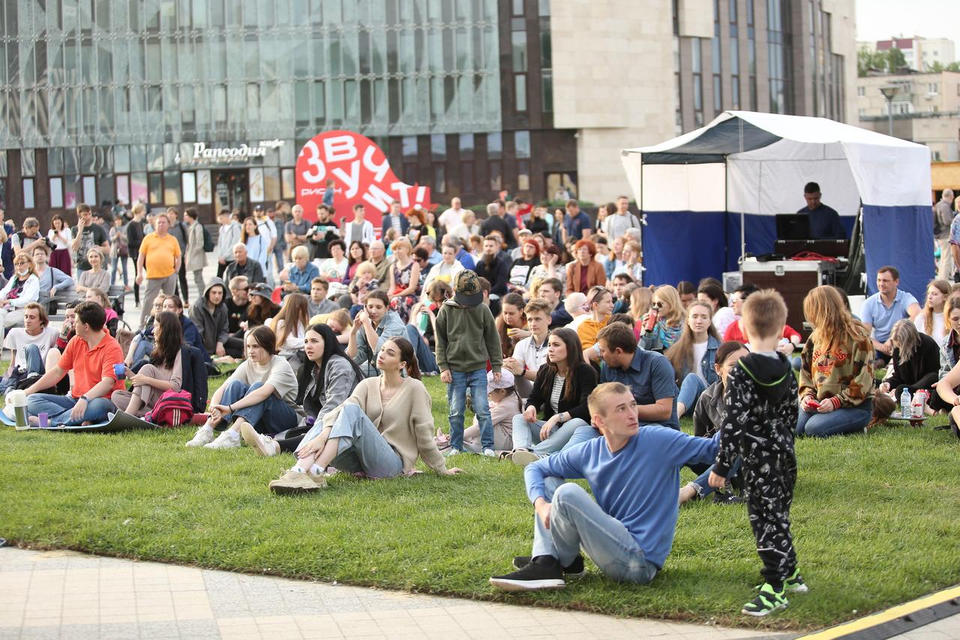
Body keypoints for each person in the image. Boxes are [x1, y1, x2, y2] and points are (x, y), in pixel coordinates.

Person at [488, 382, 719, 591]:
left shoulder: (658, 439)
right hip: (612, 546)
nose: (632, 414)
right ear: (599, 421)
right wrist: (541, 504)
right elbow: (534, 468)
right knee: (549, 480)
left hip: (640, 563)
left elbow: (712, 450)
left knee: (567, 494)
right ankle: (556, 562)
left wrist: (741, 417)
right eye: (621, 409)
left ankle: (548, 561)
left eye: (633, 405)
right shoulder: (592, 450)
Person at [708, 289, 805, 616]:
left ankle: (774, 587)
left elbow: (733, 422)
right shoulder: (787, 367)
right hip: (784, 455)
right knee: (779, 514)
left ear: (745, 330)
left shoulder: (741, 372)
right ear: (781, 330)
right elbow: (794, 415)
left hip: (757, 458)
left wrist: (722, 465)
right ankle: (791, 573)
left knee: (765, 520)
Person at [268, 337, 462, 493]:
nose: (382, 354)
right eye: (383, 349)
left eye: (390, 352)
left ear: (402, 364)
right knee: (331, 415)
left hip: (391, 463)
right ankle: (300, 471)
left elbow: (424, 434)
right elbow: (337, 412)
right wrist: (322, 436)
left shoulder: (415, 389)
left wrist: (441, 468)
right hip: (360, 461)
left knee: (351, 411)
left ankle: (314, 470)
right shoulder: (368, 384)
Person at [186, 325, 299, 449]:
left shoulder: (281, 364)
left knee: (258, 388)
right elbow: (224, 387)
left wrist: (230, 408)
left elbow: (263, 393)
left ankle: (234, 434)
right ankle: (208, 429)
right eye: (248, 346)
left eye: (255, 346)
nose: (250, 351)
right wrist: (214, 406)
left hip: (285, 420)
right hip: (259, 419)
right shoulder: (249, 364)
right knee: (235, 385)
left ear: (268, 346)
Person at [435, 270, 503, 457]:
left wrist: (496, 365)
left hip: (478, 368)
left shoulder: (482, 310)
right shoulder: (446, 310)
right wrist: (443, 367)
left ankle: (488, 446)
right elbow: (440, 341)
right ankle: (456, 446)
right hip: (455, 369)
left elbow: (493, 339)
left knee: (482, 409)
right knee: (456, 410)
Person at [24, 301, 125, 427]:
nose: (73, 324)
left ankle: (52, 422)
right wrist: (28, 391)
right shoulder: (76, 341)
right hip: (74, 399)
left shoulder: (112, 348)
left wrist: (85, 399)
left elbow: (107, 383)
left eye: (76, 321)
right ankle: (78, 418)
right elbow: (57, 371)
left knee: (99, 406)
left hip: (102, 399)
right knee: (32, 400)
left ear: (86, 327)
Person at [796, 286, 875, 438]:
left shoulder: (858, 335)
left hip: (854, 405)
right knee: (796, 429)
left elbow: (864, 381)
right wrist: (807, 396)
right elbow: (805, 373)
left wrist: (836, 402)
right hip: (820, 402)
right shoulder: (815, 337)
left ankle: (858, 424)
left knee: (813, 429)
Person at [509, 327, 596, 465]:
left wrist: (558, 417)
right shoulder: (545, 370)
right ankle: (521, 450)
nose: (550, 349)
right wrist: (531, 407)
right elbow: (534, 398)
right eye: (549, 344)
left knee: (578, 422)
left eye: (556, 345)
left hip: (573, 431)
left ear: (571, 347)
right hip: (550, 430)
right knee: (519, 418)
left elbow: (587, 407)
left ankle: (534, 453)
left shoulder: (586, 371)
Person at [678, 341, 751, 505]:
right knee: (682, 445)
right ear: (718, 369)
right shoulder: (707, 397)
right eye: (733, 365)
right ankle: (657, 488)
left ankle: (689, 491)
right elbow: (699, 442)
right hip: (719, 464)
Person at [111, 311, 183, 418]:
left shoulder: (179, 352)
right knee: (116, 395)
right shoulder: (158, 352)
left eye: (156, 326)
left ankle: (128, 416)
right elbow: (145, 384)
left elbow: (175, 387)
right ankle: (152, 414)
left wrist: (146, 380)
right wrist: (129, 373)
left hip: (169, 398)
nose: (153, 330)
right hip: (152, 399)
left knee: (147, 368)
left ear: (166, 330)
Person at [666, 301, 721, 418]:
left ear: (710, 321)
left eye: (704, 317)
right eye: (695, 316)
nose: (699, 321)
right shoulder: (677, 348)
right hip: (685, 401)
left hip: (709, 402)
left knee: (692, 378)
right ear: (688, 320)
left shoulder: (720, 348)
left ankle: (674, 417)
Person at [861, 266, 921, 364]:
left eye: (885, 281)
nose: (881, 284)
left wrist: (893, 338)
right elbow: (864, 334)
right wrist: (882, 347)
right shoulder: (868, 304)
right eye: (879, 280)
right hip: (880, 345)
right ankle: (881, 363)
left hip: (902, 341)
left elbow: (917, 314)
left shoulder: (906, 298)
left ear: (896, 282)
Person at [0, 302, 60, 394]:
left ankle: (30, 381)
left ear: (41, 320)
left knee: (32, 348)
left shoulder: (52, 333)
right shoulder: (15, 333)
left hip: (40, 373)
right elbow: (12, 363)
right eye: (26, 317)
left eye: (32, 317)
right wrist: (7, 379)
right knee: (7, 389)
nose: (27, 320)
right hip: (20, 373)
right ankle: (17, 387)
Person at [136, 212, 182, 328]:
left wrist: (176, 269)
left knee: (169, 303)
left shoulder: (172, 239)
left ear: (168, 224)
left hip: (169, 275)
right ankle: (142, 326)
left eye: (163, 222)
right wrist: (139, 273)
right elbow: (141, 257)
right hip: (153, 276)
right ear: (155, 224)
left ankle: (168, 325)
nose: (161, 224)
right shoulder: (148, 238)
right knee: (148, 302)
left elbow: (178, 256)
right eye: (159, 222)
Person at [878, 320, 940, 403]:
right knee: (878, 384)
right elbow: (898, 376)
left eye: (901, 344)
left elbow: (934, 375)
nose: (899, 347)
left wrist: (909, 388)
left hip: (928, 384)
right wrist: (888, 384)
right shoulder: (897, 348)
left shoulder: (928, 344)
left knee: (931, 377)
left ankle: (908, 392)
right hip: (908, 386)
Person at [347, 290, 405, 376]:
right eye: (370, 307)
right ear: (365, 308)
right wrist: (353, 333)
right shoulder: (366, 321)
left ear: (387, 308)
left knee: (355, 373)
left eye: (378, 307)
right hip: (377, 366)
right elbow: (354, 357)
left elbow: (379, 349)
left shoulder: (395, 323)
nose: (373, 311)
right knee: (346, 370)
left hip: (397, 370)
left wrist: (366, 322)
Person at [503, 299, 552, 399]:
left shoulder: (556, 344)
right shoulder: (522, 344)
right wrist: (507, 365)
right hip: (529, 391)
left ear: (549, 320)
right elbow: (515, 370)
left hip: (550, 392)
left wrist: (522, 372)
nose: (533, 323)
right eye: (530, 319)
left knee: (516, 373)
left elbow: (550, 378)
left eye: (537, 319)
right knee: (508, 369)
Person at [0, 251, 41, 345]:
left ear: (30, 264)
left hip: (24, 310)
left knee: (0, 321)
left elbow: (28, 299)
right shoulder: (14, 278)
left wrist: (9, 301)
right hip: (8, 309)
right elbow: (4, 291)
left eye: (22, 263)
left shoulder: (33, 279)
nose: (19, 266)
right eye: (17, 264)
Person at [189, 278, 229, 358]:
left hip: (218, 343)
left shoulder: (223, 307)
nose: (217, 296)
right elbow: (198, 334)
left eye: (220, 293)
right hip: (200, 347)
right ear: (208, 293)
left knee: (241, 344)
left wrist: (220, 343)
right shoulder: (197, 307)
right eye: (214, 293)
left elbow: (224, 329)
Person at [32, 245, 76, 314]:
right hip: (31, 304)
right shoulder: (30, 273)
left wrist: (56, 287)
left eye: (42, 254)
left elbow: (69, 280)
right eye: (37, 254)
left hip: (46, 305)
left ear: (46, 257)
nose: (40, 256)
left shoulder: (53, 271)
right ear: (33, 257)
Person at [640, 285, 684, 352]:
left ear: (671, 303)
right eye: (654, 304)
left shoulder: (686, 323)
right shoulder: (655, 324)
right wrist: (648, 332)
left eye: (659, 304)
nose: (656, 307)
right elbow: (642, 350)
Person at [386, 237, 420, 322]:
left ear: (407, 249)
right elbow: (392, 287)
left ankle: (400, 328)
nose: (396, 251)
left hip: (410, 295)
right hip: (397, 294)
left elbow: (412, 288)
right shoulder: (393, 267)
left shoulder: (414, 265)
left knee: (398, 302)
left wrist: (396, 296)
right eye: (394, 249)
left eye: (399, 248)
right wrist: (388, 296)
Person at [71, 203, 110, 275]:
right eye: (85, 215)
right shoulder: (74, 229)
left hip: (97, 267)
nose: (88, 217)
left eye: (90, 214)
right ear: (80, 216)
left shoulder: (98, 228)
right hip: (82, 268)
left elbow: (108, 249)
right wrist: (80, 231)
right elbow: (74, 247)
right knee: (81, 286)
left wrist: (100, 248)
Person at [269, 293, 311, 360]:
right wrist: (310, 341)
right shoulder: (281, 322)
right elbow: (290, 343)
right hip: (283, 357)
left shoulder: (299, 323)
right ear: (297, 307)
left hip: (297, 356)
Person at [577, 286, 613, 357]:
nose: (612, 305)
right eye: (608, 302)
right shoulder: (584, 327)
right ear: (596, 305)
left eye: (612, 301)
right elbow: (588, 353)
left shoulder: (613, 321)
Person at [914, 279, 950, 344]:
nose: (929, 297)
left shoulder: (952, 319)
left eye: (935, 294)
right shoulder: (921, 318)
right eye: (928, 293)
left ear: (945, 297)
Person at [166, 208, 191, 302]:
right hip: (169, 257)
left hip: (180, 255)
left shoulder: (181, 226)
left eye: (172, 213)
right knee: (173, 280)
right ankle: (177, 299)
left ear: (176, 215)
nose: (170, 215)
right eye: (169, 213)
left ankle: (186, 299)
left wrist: (184, 254)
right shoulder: (166, 227)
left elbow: (187, 240)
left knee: (182, 277)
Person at [184, 208, 207, 298]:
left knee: (198, 278)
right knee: (197, 278)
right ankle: (202, 295)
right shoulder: (191, 226)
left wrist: (192, 254)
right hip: (193, 256)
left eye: (186, 215)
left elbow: (199, 243)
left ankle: (203, 295)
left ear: (191, 216)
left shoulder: (197, 226)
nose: (184, 217)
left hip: (196, 256)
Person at [126, 204, 146, 305]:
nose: (144, 213)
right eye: (143, 211)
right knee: (138, 274)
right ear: (139, 211)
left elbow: (143, 235)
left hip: (144, 252)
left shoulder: (140, 223)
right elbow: (130, 242)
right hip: (135, 253)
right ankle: (137, 299)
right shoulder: (131, 225)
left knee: (150, 272)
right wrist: (143, 242)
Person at [934, 189, 955, 279]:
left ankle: (942, 276)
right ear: (951, 196)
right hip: (945, 235)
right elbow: (947, 221)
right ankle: (944, 279)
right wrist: (955, 221)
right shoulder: (945, 206)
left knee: (943, 257)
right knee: (946, 258)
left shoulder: (938, 205)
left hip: (940, 235)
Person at [215, 210, 242, 278]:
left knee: (232, 277)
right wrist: (220, 256)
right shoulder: (222, 228)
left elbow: (235, 243)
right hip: (222, 258)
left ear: (227, 217)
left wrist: (225, 256)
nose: (220, 220)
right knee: (219, 276)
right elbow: (220, 243)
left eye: (221, 218)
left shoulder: (235, 227)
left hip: (232, 257)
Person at [108, 215, 131, 291]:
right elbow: (110, 239)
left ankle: (126, 284)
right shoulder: (112, 229)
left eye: (119, 220)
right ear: (115, 222)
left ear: (121, 221)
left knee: (125, 268)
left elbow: (128, 239)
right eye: (116, 220)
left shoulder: (125, 228)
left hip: (123, 250)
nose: (118, 221)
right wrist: (115, 236)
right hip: (115, 251)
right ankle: (112, 284)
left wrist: (121, 236)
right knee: (114, 268)